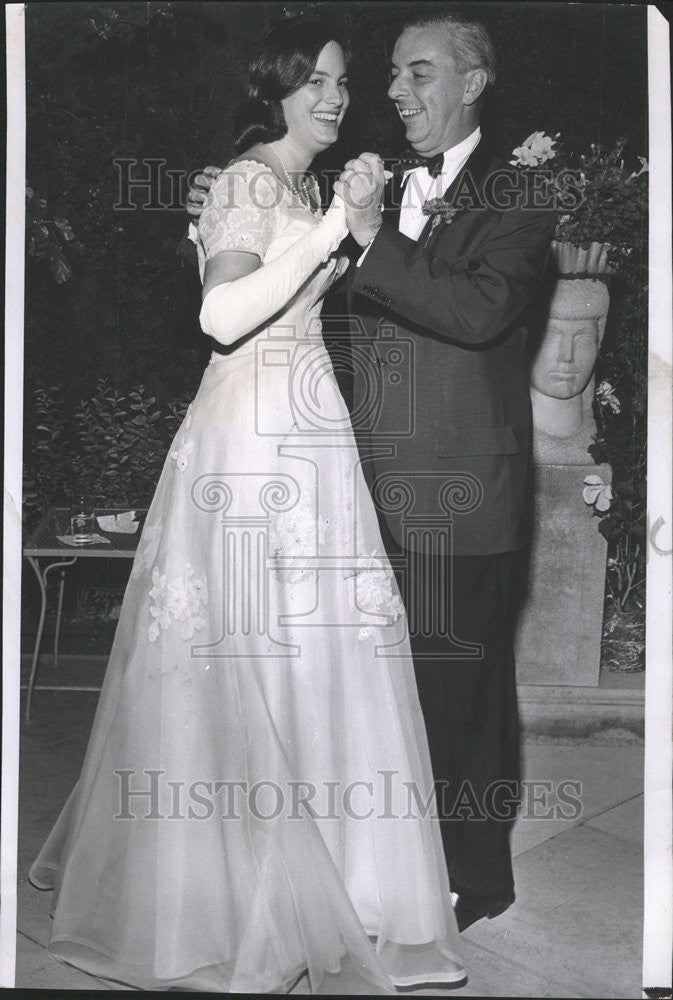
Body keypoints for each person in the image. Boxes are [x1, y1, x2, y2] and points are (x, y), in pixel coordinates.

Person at [29, 17, 465, 994]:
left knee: (322, 663)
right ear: (270, 90)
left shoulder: (304, 185)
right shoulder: (246, 182)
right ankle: (236, 906)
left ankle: (339, 895)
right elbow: (220, 315)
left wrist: (354, 226)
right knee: (247, 672)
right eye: (312, 81)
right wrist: (323, 233)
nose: (333, 97)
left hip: (311, 439)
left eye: (342, 83)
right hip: (250, 446)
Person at [188, 11, 557, 934]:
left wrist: (363, 235)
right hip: (346, 486)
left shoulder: (520, 192)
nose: (393, 92)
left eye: (417, 73)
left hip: (458, 488)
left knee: (458, 687)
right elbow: (275, 267)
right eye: (388, 74)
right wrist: (230, 202)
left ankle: (477, 877)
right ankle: (373, 869)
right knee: (364, 689)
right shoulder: (370, 185)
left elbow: (475, 312)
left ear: (472, 83)